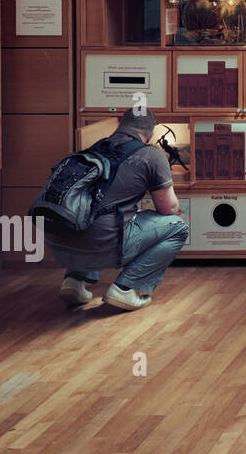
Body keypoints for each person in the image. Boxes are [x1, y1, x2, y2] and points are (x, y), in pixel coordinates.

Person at [47, 109, 190, 312]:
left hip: (62, 242)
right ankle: (124, 289)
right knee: (178, 226)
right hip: (103, 246)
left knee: (95, 212)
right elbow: (169, 208)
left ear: (119, 125)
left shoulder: (94, 148)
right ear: (150, 134)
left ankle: (74, 281)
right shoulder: (151, 154)